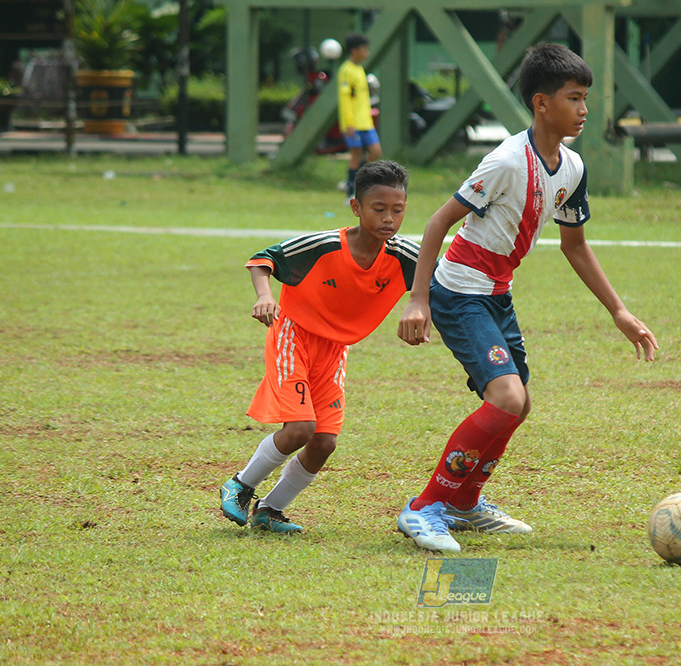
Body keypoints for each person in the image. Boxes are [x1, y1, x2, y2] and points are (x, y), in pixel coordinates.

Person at [394, 43, 658, 553]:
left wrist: (619, 311)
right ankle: (425, 507)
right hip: (459, 292)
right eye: (574, 98)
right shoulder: (506, 161)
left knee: (520, 405)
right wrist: (418, 300)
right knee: (507, 399)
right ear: (542, 103)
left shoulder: (573, 168)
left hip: (497, 295)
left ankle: (465, 502)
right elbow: (437, 223)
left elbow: (574, 245)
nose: (584, 110)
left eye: (586, 99)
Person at [219, 161, 418, 532]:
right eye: (379, 209)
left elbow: (443, 280)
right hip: (293, 337)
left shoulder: (405, 256)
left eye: (398, 210)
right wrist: (265, 297)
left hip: (335, 350)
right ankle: (240, 485)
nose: (389, 219)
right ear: (356, 208)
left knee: (324, 442)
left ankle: (270, 509)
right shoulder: (324, 245)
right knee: (300, 428)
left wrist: (419, 305)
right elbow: (263, 260)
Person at [338, 33, 382, 203]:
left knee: (376, 152)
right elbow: (345, 99)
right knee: (356, 155)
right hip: (353, 123)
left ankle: (357, 180)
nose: (367, 52)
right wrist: (349, 123)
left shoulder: (360, 69)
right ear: (354, 50)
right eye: (364, 49)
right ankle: (351, 191)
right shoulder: (346, 70)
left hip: (365, 121)